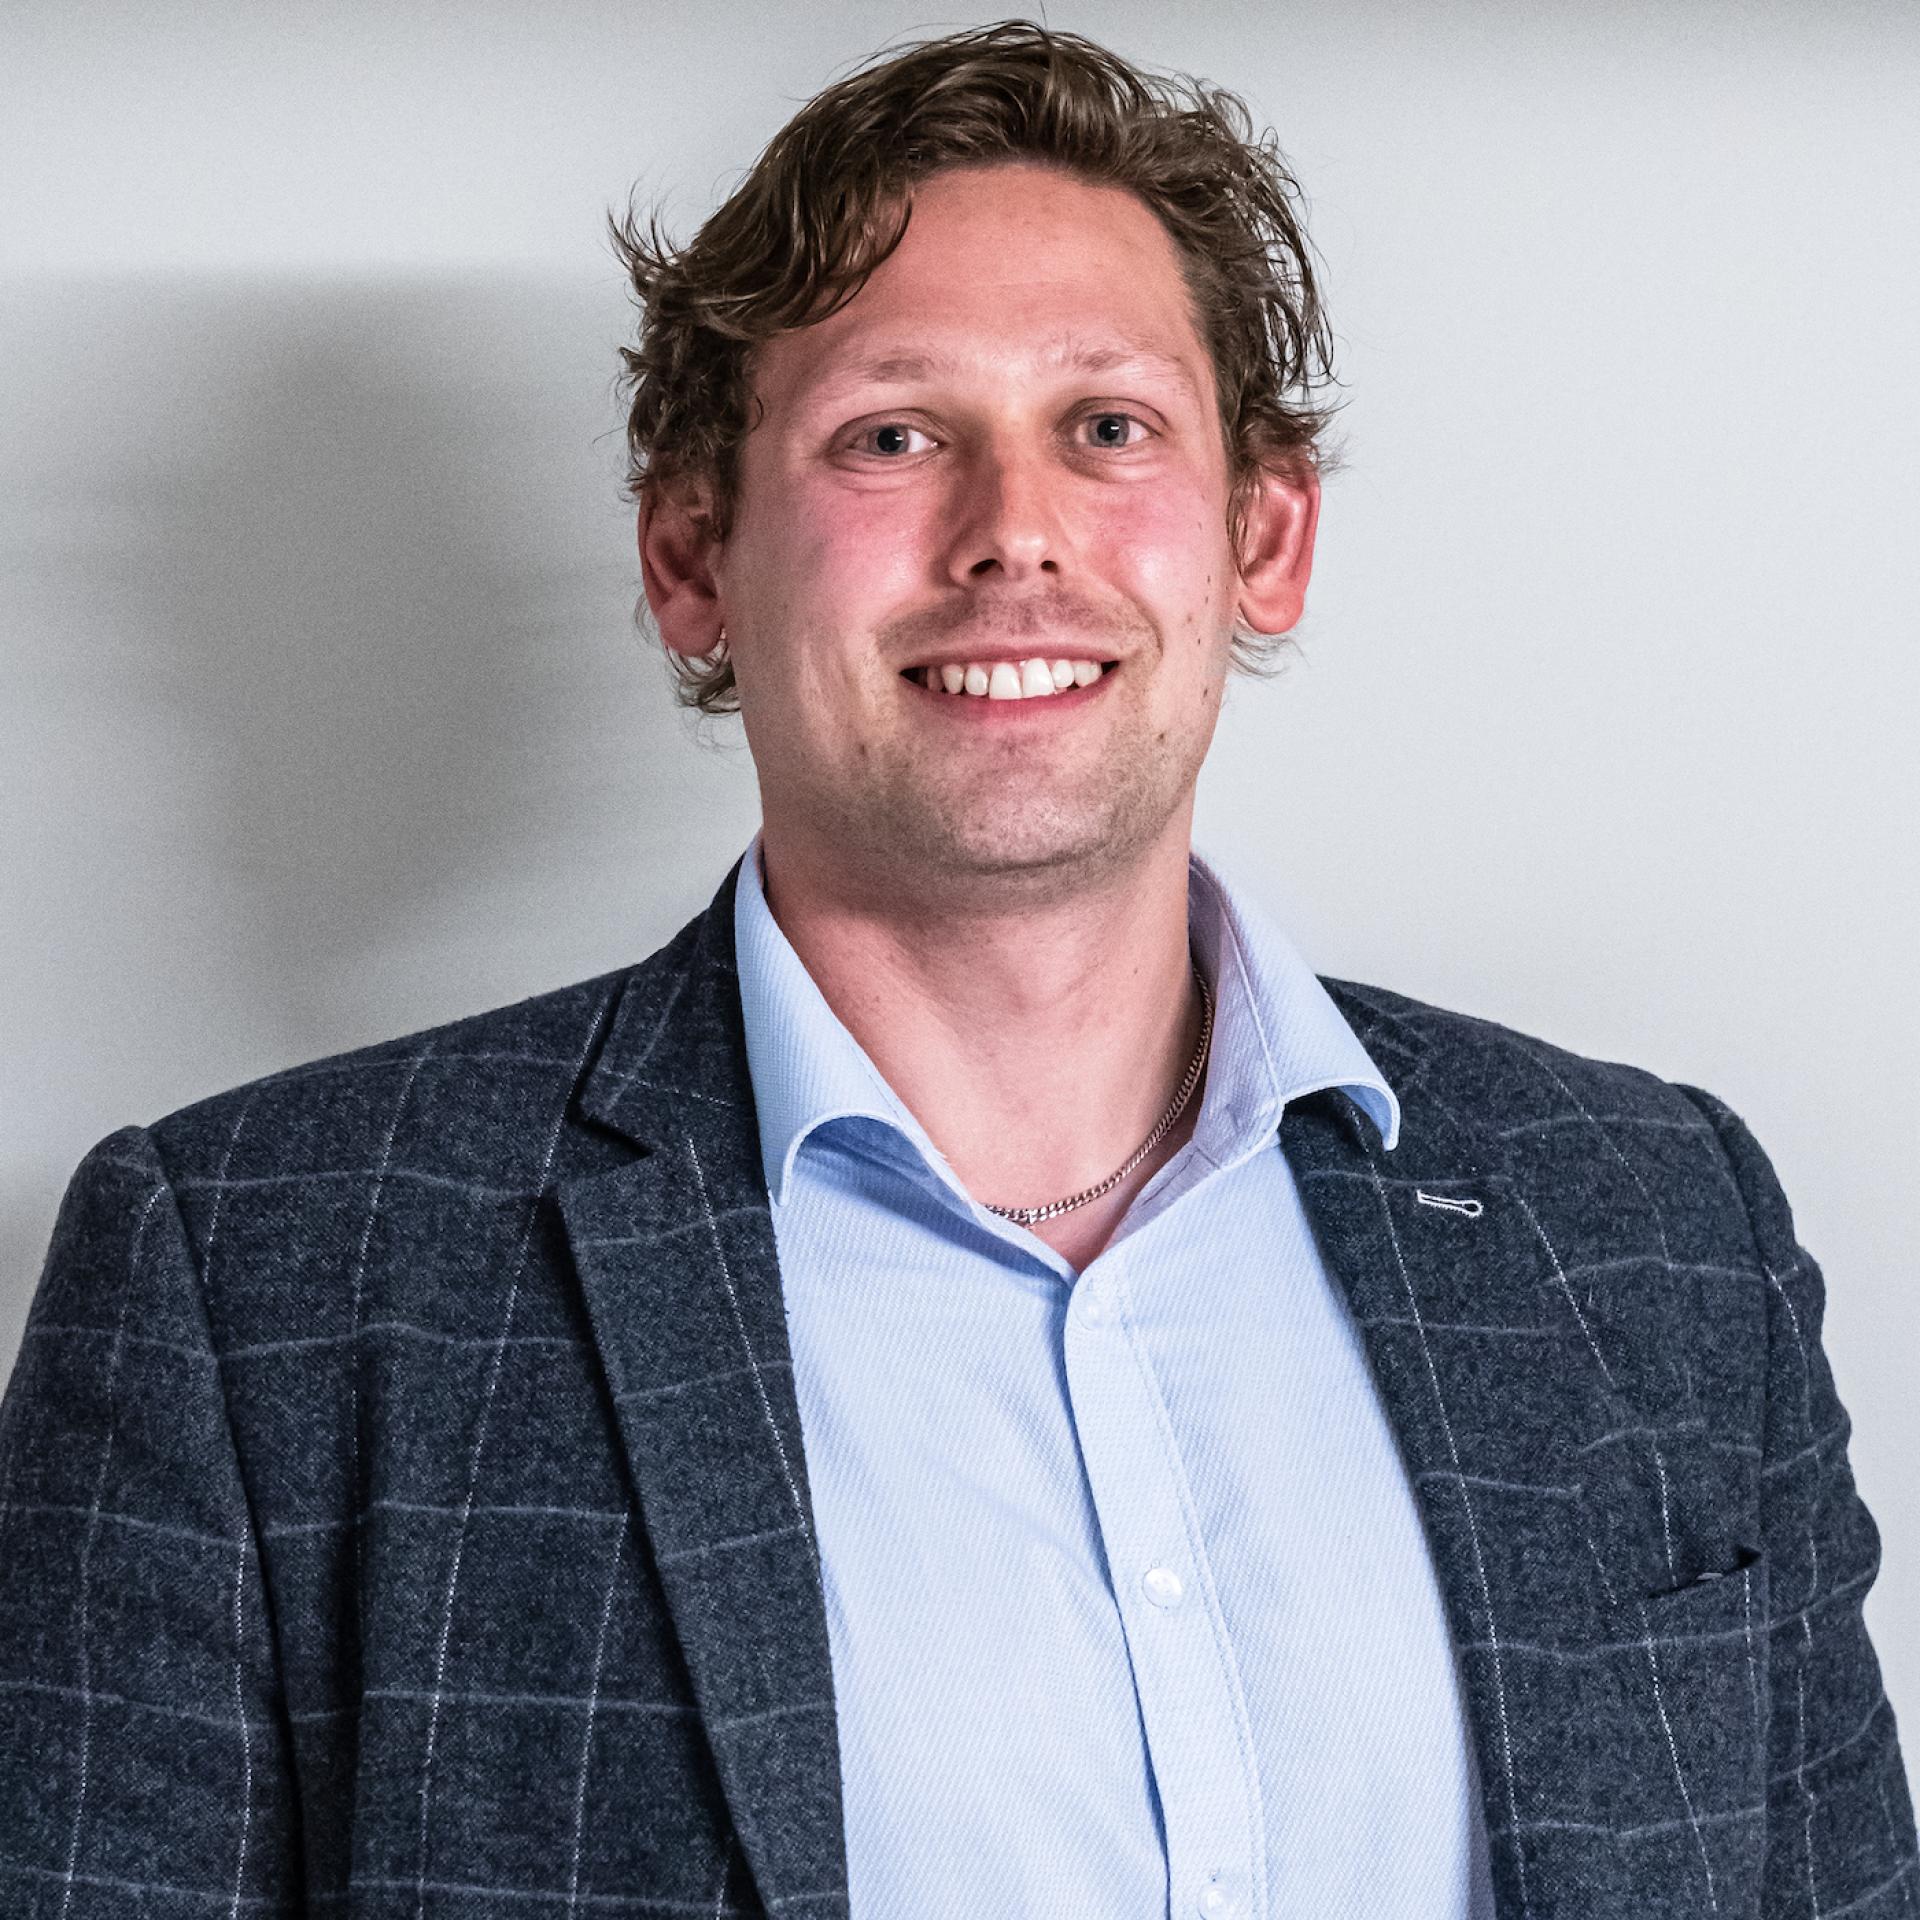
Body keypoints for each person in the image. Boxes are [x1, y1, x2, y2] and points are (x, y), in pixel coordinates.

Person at [0, 19, 1911, 1919]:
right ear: (691, 557)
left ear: (1264, 535)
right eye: (893, 434)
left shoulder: (1660, 1230)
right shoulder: (255, 1282)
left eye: (1108, 428)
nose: (1016, 537)